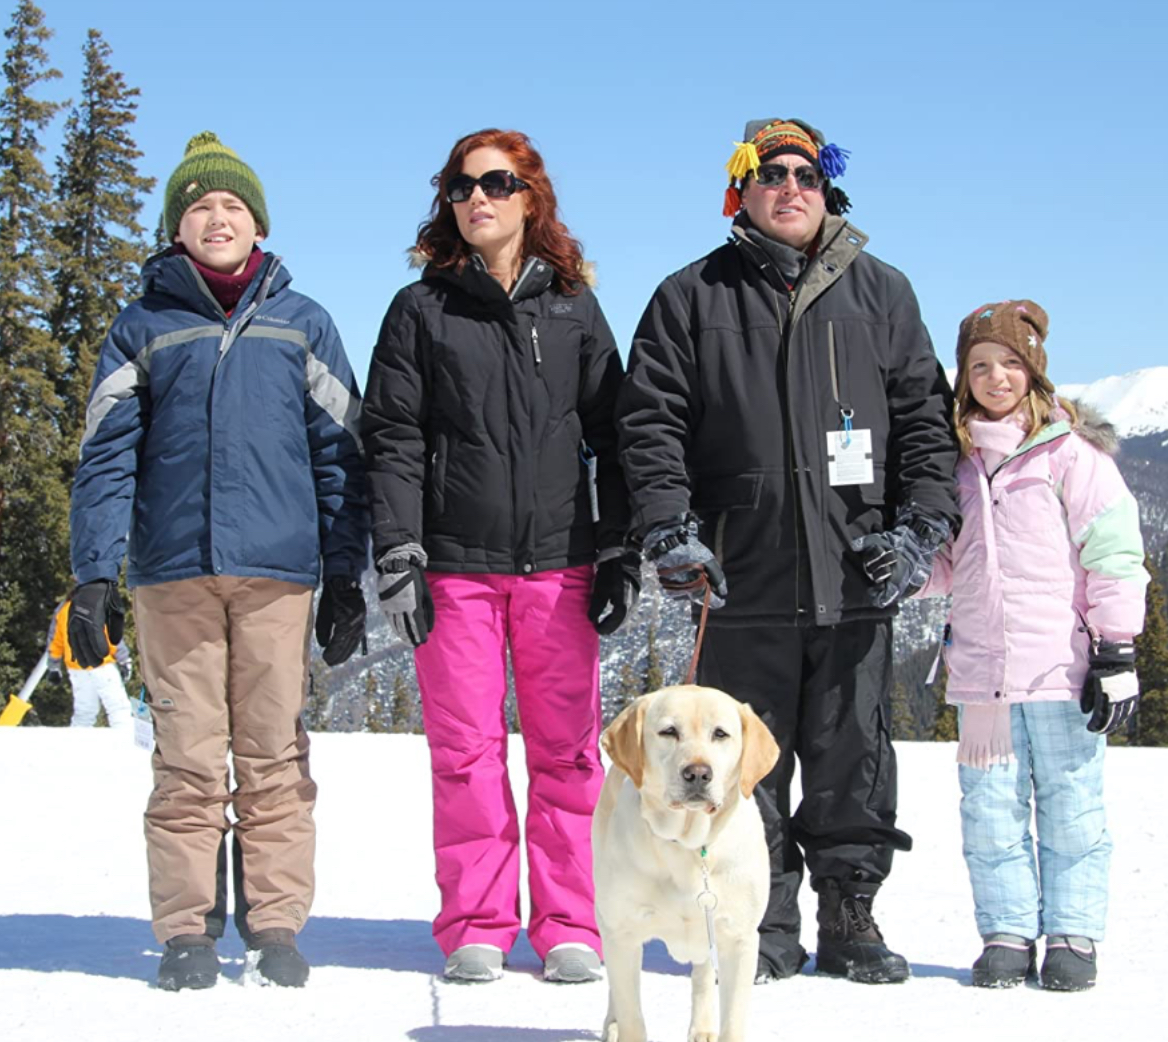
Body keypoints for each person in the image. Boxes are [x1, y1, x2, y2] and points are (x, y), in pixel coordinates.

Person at [615, 117, 960, 985]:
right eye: (770, 173)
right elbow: (649, 424)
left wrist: (918, 531)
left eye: (805, 173)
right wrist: (669, 528)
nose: (790, 187)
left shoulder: (881, 293)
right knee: (741, 772)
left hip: (856, 572)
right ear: (743, 189)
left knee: (854, 759)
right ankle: (759, 926)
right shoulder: (690, 296)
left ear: (827, 187)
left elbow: (926, 427)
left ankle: (850, 918)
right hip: (741, 578)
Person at [68, 131, 369, 991]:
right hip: (172, 573)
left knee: (275, 754)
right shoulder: (144, 326)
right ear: (176, 228)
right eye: (199, 205)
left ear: (258, 223)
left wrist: (344, 573)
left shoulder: (300, 321)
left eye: (232, 204)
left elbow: (340, 454)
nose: (216, 217)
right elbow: (105, 455)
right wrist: (96, 572)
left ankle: (275, 923)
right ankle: (187, 929)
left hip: (279, 573)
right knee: (188, 758)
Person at [361, 128, 634, 985]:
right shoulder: (421, 309)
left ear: (530, 197)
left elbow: (613, 437)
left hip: (560, 563)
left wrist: (620, 545)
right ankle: (477, 921)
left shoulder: (574, 307)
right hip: (454, 567)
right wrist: (399, 551)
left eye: (496, 182)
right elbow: (394, 439)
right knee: (465, 753)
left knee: (569, 754)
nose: (476, 198)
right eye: (459, 186)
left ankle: (569, 924)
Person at [917, 299, 1147, 990]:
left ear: (1034, 372)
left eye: (1010, 363)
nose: (995, 378)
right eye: (979, 366)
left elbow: (1111, 550)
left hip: (1059, 668)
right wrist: (894, 565)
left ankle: (1072, 932)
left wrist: (1114, 650)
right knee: (989, 814)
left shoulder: (1069, 456)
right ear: (961, 379)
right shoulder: (954, 468)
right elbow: (946, 570)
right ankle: (1006, 933)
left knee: (1070, 805)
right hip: (981, 672)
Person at [45, 589, 133, 728]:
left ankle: (78, 744)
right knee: (118, 707)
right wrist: (123, 659)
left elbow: (55, 640)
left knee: (84, 712)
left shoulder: (63, 610)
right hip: (101, 664)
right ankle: (124, 740)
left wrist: (54, 666)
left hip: (77, 668)